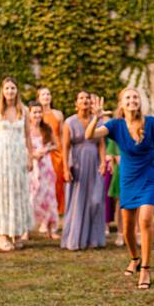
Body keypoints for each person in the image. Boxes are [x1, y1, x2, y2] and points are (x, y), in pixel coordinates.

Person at [86, 86, 154, 289]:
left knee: (145, 219)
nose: (132, 100)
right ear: (122, 103)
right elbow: (89, 136)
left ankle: (146, 269)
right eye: (128, 97)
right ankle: (134, 257)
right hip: (128, 180)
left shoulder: (152, 123)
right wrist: (95, 118)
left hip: (149, 177)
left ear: (139, 102)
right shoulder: (115, 125)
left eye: (135, 97)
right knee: (128, 227)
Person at [0, 78, 36, 251]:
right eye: (7, 88)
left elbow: (28, 136)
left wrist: (30, 157)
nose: (10, 91)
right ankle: (3, 234)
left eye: (13, 88)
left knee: (18, 193)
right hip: (2, 156)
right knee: (3, 193)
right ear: (2, 90)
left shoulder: (23, 110)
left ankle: (16, 232)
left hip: (18, 156)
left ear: (17, 91)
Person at [61, 90, 108, 250]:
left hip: (94, 162)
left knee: (95, 200)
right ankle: (75, 239)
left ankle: (94, 239)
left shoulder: (98, 121)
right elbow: (65, 147)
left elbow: (101, 144)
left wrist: (103, 162)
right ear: (76, 103)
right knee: (77, 200)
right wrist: (65, 168)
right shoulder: (69, 122)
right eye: (81, 98)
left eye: (87, 97)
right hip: (77, 164)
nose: (85, 100)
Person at [28, 101, 60, 239]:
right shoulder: (26, 129)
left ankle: (50, 229)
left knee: (48, 196)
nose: (37, 115)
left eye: (39, 112)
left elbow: (56, 145)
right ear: (29, 113)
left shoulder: (47, 128)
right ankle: (26, 230)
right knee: (30, 197)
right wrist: (32, 154)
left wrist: (45, 149)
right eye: (34, 112)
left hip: (46, 166)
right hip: (31, 165)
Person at [37, 87, 67, 216]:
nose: (46, 97)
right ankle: (44, 208)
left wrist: (65, 151)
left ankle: (58, 209)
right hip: (42, 150)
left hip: (57, 151)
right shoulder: (36, 113)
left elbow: (62, 134)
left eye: (48, 94)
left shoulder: (58, 114)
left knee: (58, 180)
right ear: (38, 98)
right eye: (43, 95)